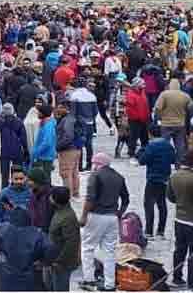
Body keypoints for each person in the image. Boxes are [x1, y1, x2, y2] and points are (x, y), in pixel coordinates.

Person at [80, 152, 129, 291]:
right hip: (112, 217)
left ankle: (88, 280)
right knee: (109, 252)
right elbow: (126, 199)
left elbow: (90, 198)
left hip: (96, 215)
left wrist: (83, 216)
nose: (93, 165)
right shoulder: (119, 177)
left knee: (88, 248)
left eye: (93, 163)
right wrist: (119, 213)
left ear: (98, 163)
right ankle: (109, 284)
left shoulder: (95, 176)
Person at [0, 205, 52, 291]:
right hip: (30, 278)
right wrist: (43, 262)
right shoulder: (37, 233)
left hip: (6, 277)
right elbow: (51, 248)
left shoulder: (3, 228)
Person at [167, 150, 193, 288]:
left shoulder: (174, 176)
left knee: (179, 249)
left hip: (179, 219)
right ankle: (192, 281)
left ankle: (177, 277)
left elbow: (170, 197)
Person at [137, 123, 175, 239]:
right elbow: (173, 160)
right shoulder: (168, 145)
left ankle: (149, 231)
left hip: (153, 178)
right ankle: (161, 231)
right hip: (165, 178)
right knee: (162, 204)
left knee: (149, 204)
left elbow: (142, 160)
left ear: (150, 134)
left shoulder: (151, 146)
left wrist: (141, 150)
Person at [48, 187, 81, 292]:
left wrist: (60, 262)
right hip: (55, 260)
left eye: (51, 196)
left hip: (62, 263)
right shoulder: (60, 212)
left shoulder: (67, 218)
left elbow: (71, 243)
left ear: (55, 200)